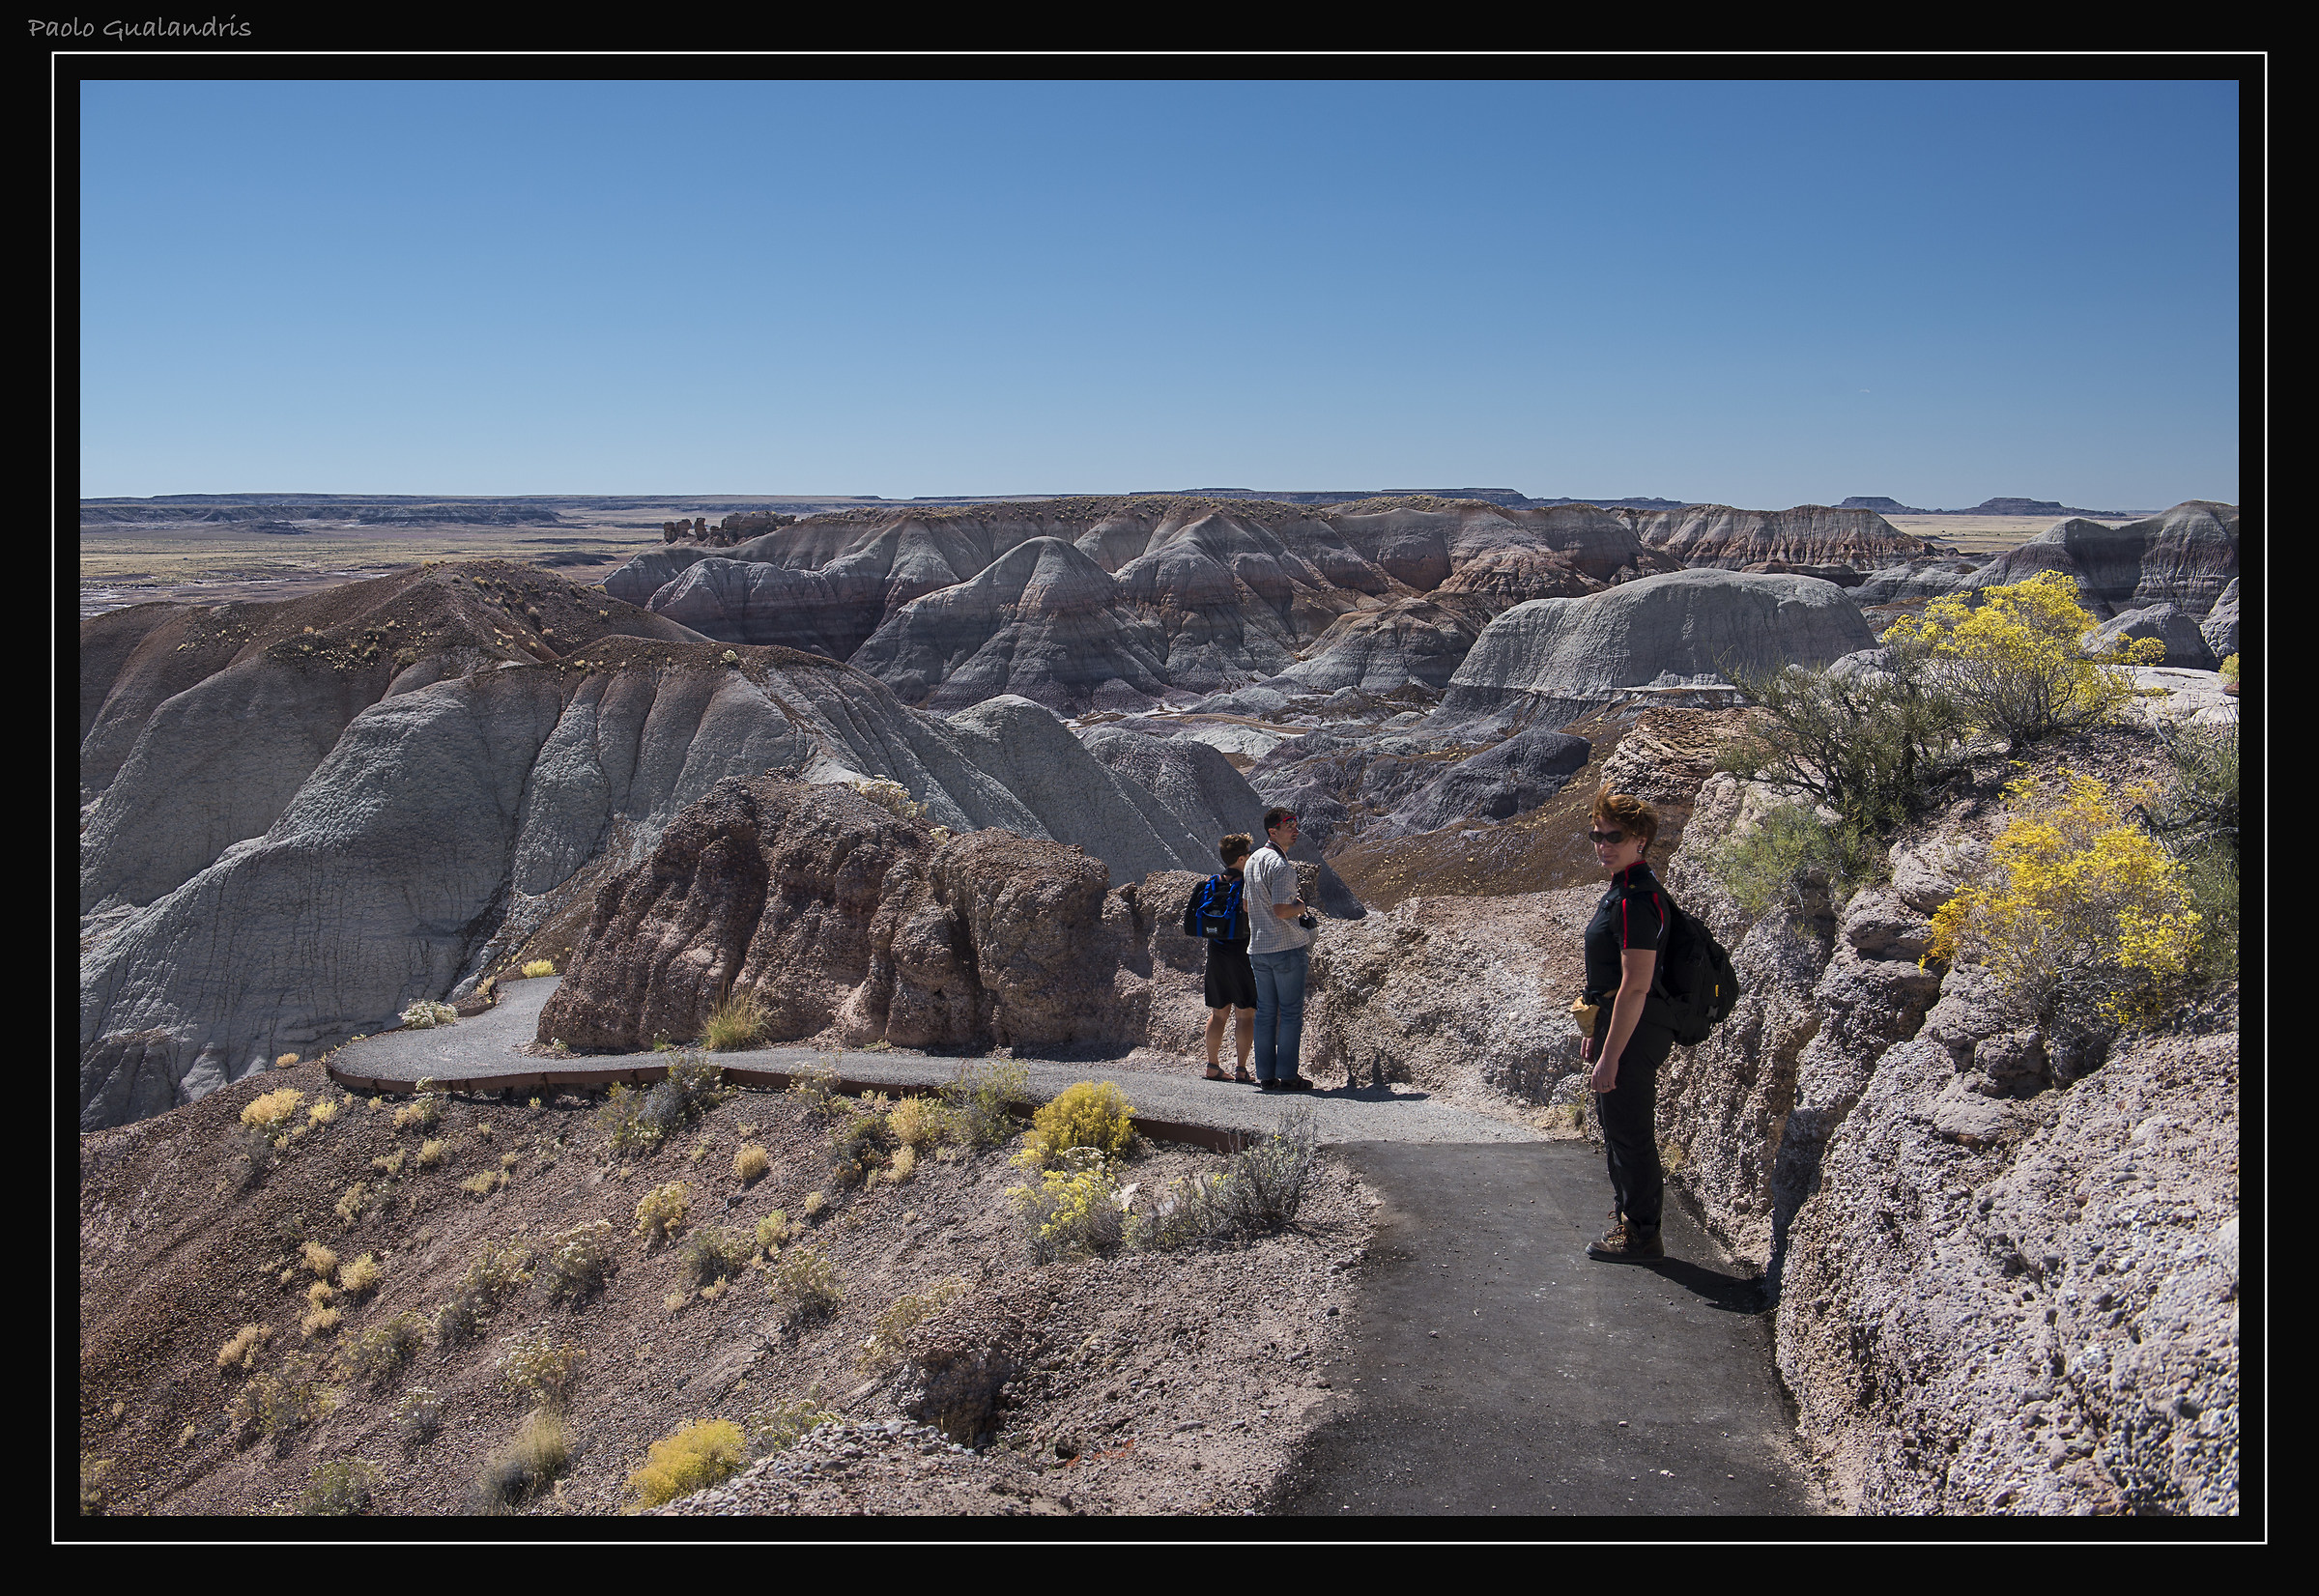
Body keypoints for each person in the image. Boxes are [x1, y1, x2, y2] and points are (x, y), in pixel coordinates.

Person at [1578, 785, 1676, 1262]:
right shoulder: (1624, 890)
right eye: (1596, 835)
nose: (1603, 844)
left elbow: (1635, 985)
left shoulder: (1635, 899)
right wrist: (1595, 1034)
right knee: (1619, 1129)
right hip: (1620, 1029)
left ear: (1640, 838)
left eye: (1614, 835)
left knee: (1631, 1132)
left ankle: (1642, 1235)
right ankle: (1629, 1225)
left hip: (1633, 1033)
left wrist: (1612, 1053)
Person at [1245, 807, 1317, 1092]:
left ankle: (1265, 1075)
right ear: (1273, 831)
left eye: (1296, 823)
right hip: (1285, 947)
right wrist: (1301, 906)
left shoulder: (1252, 861)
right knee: (1289, 1013)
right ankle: (1287, 1074)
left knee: (1264, 1013)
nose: (1295, 829)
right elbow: (1281, 910)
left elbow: (1248, 905)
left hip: (1258, 948)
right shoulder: (1282, 866)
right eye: (1288, 824)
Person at [1198, 834, 1258, 1082]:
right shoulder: (1248, 884)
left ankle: (1212, 1065)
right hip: (1242, 952)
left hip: (1216, 951)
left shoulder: (1213, 882)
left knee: (1218, 1012)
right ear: (1242, 858)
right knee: (1245, 1013)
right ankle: (1241, 1069)